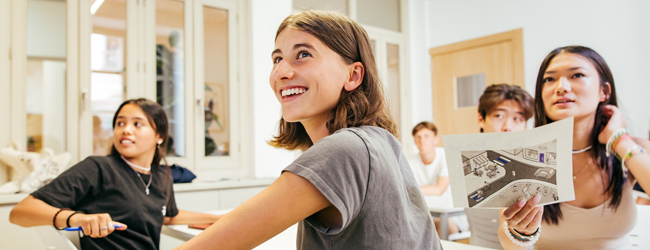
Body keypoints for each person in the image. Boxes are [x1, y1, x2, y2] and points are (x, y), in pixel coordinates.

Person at [173, 10, 439, 249]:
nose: (280, 72)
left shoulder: (344, 150)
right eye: (277, 58)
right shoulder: (379, 139)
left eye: (303, 54)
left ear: (353, 75)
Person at [9, 98, 221, 250]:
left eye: (137, 124)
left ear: (159, 136)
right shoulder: (98, 168)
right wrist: (76, 219)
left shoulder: (160, 177)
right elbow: (21, 212)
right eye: (120, 123)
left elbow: (167, 215)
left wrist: (218, 219)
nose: (126, 130)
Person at [498, 46, 650, 249]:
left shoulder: (630, 151)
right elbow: (509, 242)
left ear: (604, 91)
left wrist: (618, 138)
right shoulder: (521, 158)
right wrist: (521, 233)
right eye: (549, 79)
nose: (560, 87)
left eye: (577, 75)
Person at [463, 83, 534, 249]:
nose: (508, 127)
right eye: (499, 116)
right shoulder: (467, 160)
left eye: (517, 118)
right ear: (481, 118)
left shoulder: (527, 169)